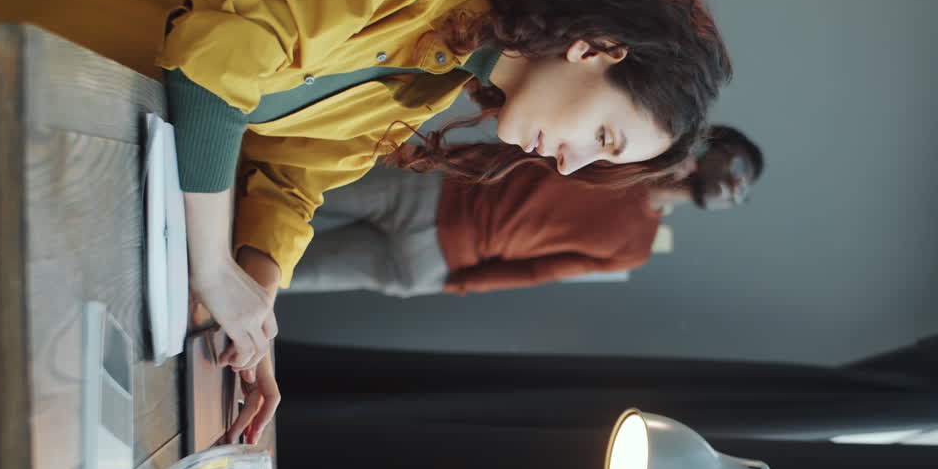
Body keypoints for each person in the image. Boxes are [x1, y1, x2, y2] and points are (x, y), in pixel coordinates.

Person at [0, 0, 732, 441]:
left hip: (46, 78)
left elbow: (300, 174)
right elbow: (218, 53)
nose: (573, 169)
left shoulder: (436, 80)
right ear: (597, 49)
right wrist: (212, 266)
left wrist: (256, 297)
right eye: (604, 139)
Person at [286, 126, 763, 297]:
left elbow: (539, 271)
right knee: (286, 184)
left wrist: (452, 283)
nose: (733, 186)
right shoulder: (625, 149)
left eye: (740, 190)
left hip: (436, 257)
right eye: (736, 169)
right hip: (432, 192)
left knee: (283, 270)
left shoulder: (635, 247)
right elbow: (532, 145)